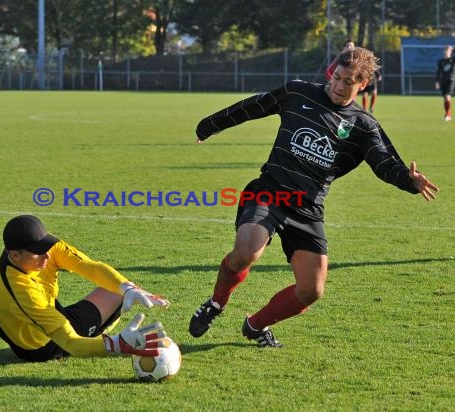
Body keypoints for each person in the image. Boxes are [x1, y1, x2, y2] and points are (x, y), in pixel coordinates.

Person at [188, 47, 439, 348]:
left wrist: (409, 181)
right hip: (270, 191)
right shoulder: (298, 93)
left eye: (348, 82)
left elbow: (384, 162)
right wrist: (210, 125)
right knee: (247, 251)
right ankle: (215, 304)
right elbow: (254, 106)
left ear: (363, 85)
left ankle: (256, 325)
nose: (338, 85)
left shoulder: (363, 126)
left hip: (308, 208)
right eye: (337, 77)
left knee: (311, 290)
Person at [0, 214, 170, 362]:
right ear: (15, 255)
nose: (48, 256)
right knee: (114, 297)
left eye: (46, 246)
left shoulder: (34, 250)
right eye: (37, 252)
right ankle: (87, 339)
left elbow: (90, 267)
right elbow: (71, 342)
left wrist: (128, 287)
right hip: (39, 344)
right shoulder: (25, 294)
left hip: (5, 312)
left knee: (118, 288)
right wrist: (118, 344)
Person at [434, 45, 454, 121]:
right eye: (445, 50)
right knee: (445, 98)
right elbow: (438, 72)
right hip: (443, 81)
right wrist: (437, 81)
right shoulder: (441, 61)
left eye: (448, 50)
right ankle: (448, 114)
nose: (446, 52)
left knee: (447, 95)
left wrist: (453, 48)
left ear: (450, 52)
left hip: (451, 80)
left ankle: (447, 115)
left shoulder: (453, 60)